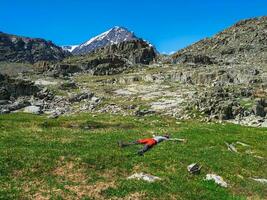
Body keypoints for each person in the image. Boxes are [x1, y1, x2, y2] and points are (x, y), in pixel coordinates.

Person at [118, 134, 186, 155]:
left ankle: (140, 152)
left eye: (167, 135)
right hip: (150, 138)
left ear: (167, 137)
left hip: (153, 141)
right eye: (166, 134)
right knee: (138, 141)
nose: (165, 134)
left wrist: (181, 140)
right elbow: (154, 135)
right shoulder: (160, 135)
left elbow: (173, 139)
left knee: (147, 146)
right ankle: (124, 144)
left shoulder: (165, 138)